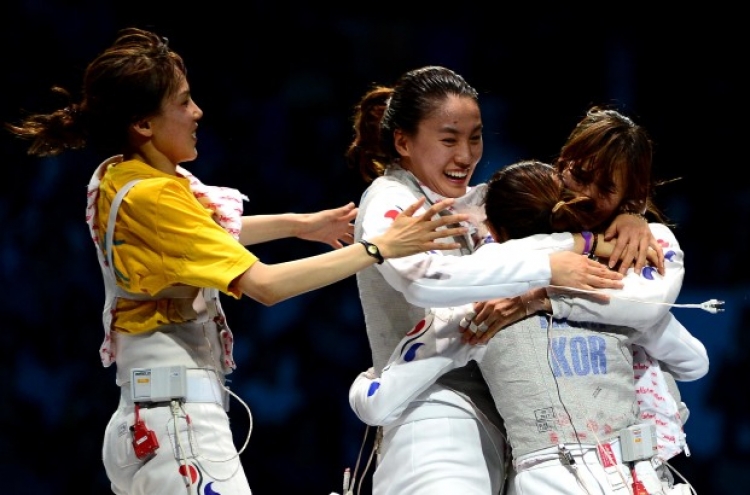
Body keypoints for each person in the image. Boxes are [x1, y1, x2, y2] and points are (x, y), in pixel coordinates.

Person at [5, 28, 476, 495]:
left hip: (148, 422)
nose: (197, 112)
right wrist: (380, 247)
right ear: (143, 123)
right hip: (179, 427)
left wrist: (298, 224)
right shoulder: (156, 196)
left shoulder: (118, 175)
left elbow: (195, 236)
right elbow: (266, 285)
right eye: (183, 102)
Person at [344, 66, 628, 495]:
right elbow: (425, 281)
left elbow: (556, 204)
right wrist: (550, 265)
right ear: (403, 141)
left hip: (496, 426)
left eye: (474, 137)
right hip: (432, 423)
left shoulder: (469, 202)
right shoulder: (390, 200)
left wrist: (630, 218)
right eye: (448, 139)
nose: (465, 155)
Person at [349, 160, 709, 495]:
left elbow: (376, 405)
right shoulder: (615, 293)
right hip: (639, 478)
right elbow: (694, 363)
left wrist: (369, 375)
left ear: (492, 229)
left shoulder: (478, 308)